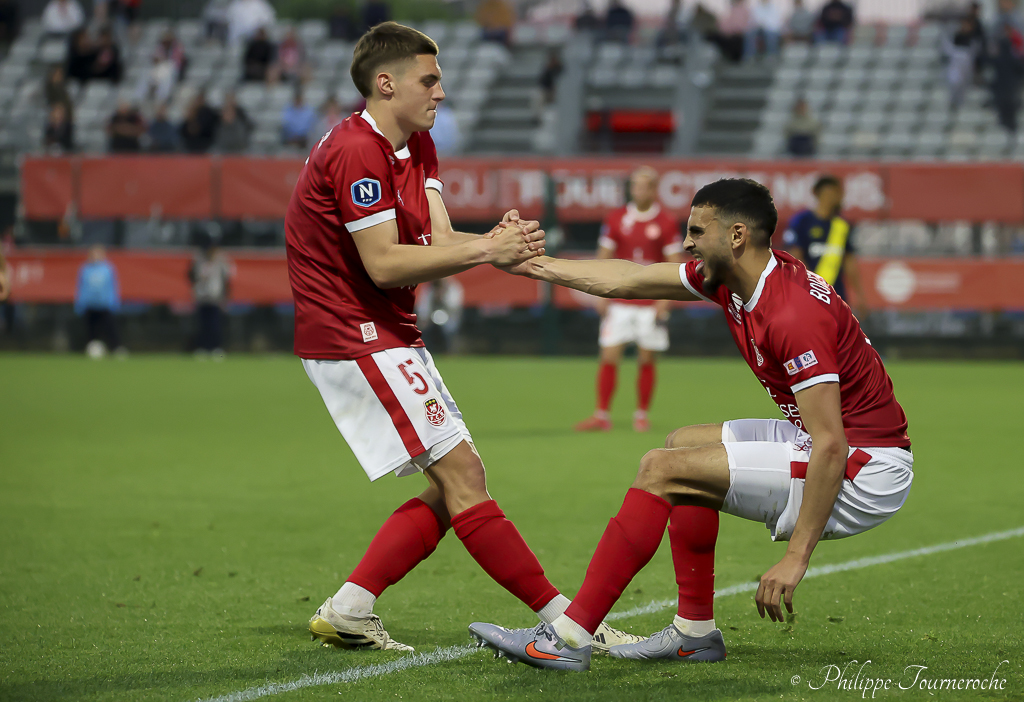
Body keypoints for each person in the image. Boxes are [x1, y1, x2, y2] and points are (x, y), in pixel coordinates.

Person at [286, 21, 639, 654]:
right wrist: (488, 250)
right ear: (385, 83)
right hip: (352, 332)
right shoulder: (357, 150)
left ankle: (350, 608)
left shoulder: (416, 144)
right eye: (429, 79)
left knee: (455, 485)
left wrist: (500, 247)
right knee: (464, 477)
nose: (441, 92)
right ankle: (569, 622)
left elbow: (441, 240)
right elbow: (384, 264)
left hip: (387, 330)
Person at [469, 178, 913, 671]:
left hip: (865, 467)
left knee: (660, 468)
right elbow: (629, 279)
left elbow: (831, 444)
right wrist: (532, 265)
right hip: (835, 441)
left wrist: (796, 557)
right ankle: (694, 633)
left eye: (698, 231)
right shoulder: (737, 277)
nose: (686, 242)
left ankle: (569, 637)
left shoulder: (791, 314)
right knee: (680, 445)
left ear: (737, 235)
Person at [575, 166, 683, 434]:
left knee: (647, 358)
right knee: (609, 355)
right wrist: (600, 293)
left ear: (654, 190)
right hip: (620, 300)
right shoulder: (616, 218)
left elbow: (674, 263)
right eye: (635, 185)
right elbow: (603, 257)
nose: (638, 191)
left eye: (643, 186)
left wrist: (665, 300)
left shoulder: (666, 222)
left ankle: (641, 415)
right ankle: (601, 414)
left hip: (650, 301)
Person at [782, 175, 867, 320]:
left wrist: (860, 295)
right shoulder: (801, 221)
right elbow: (796, 257)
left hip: (836, 296)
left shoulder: (842, 226)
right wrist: (811, 288)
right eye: (831, 192)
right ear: (819, 194)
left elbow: (849, 262)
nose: (836, 197)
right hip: (807, 293)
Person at [75, 245, 125, 357]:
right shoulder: (85, 269)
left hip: (104, 304)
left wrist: (114, 301)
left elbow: (113, 286)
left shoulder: (108, 268)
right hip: (90, 304)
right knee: (91, 330)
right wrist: (80, 303)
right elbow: (81, 287)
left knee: (110, 328)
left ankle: (116, 348)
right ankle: (92, 349)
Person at [190, 243, 231, 356]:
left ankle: (216, 347)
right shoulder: (198, 260)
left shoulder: (221, 260)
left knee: (215, 324)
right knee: (203, 324)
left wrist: (226, 297)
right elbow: (191, 276)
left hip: (215, 298)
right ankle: (203, 347)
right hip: (202, 297)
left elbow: (227, 279)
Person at [990, 22, 1024, 132]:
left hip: (1004, 90)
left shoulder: (998, 58)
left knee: (1005, 115)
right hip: (1010, 90)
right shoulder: (1013, 57)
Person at [944, 17, 982, 109]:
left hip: (968, 62)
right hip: (957, 60)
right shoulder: (956, 36)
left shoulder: (974, 37)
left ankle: (960, 103)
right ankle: (954, 101)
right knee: (955, 81)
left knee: (964, 84)